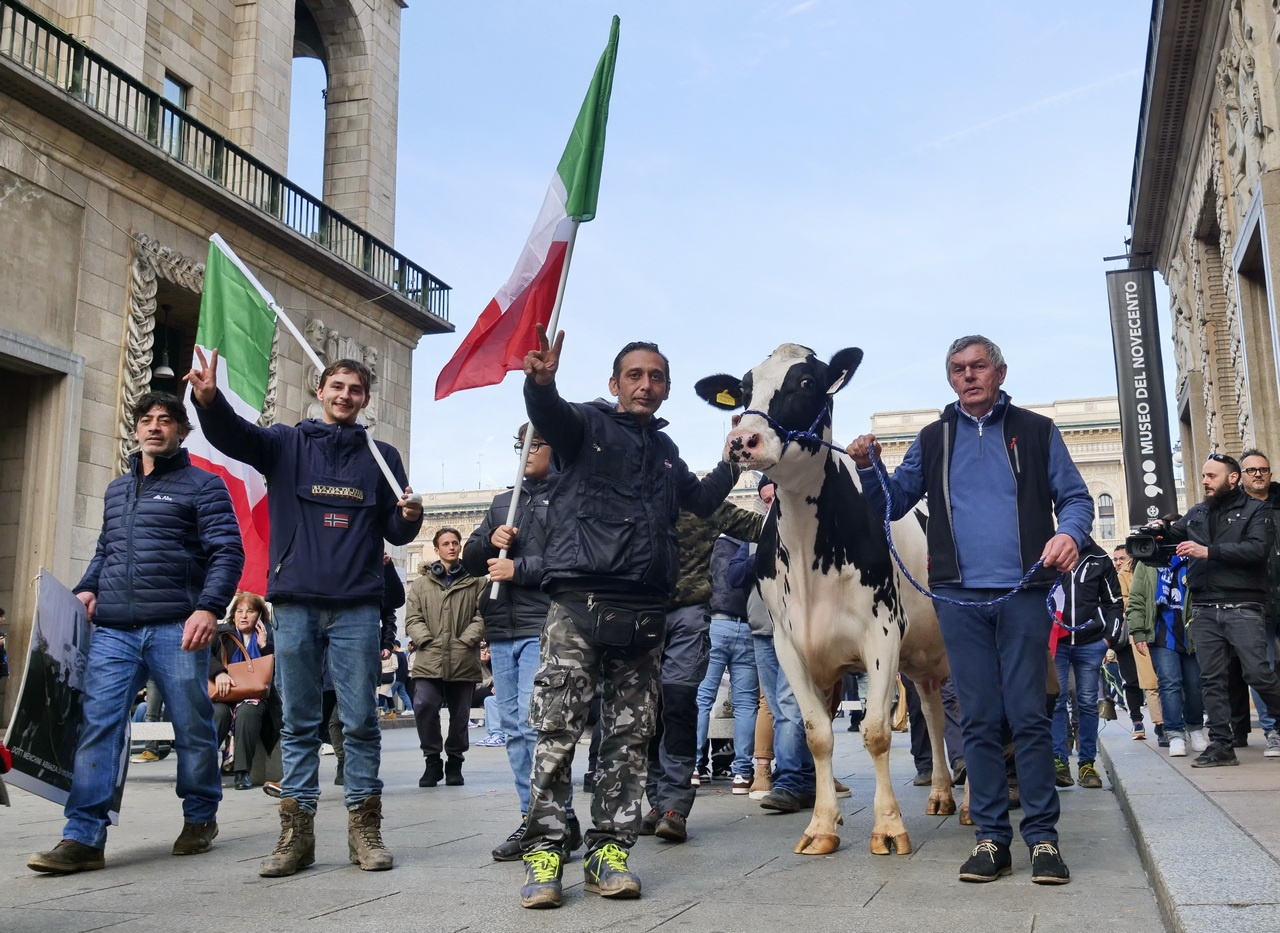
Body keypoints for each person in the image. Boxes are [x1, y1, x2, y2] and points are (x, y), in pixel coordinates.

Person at [847, 334, 1092, 885]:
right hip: (957, 597)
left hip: (1024, 592)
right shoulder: (932, 439)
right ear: (950, 378)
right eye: (958, 369)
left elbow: (1075, 497)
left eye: (979, 366)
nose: (969, 376)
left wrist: (1072, 533)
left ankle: (1044, 840)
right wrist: (869, 468)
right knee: (979, 719)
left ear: (1000, 372)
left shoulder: (1035, 431)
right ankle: (990, 838)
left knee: (1029, 717)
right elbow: (892, 504)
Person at [516, 328, 737, 909]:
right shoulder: (583, 426)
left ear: (665, 389)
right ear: (615, 384)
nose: (646, 384)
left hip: (644, 612)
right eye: (634, 375)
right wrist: (540, 383)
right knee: (557, 731)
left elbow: (700, 500)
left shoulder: (666, 453)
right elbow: (550, 414)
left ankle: (609, 852)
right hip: (578, 605)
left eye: (656, 376)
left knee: (628, 738)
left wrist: (732, 461)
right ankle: (544, 856)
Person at [187, 351, 422, 876]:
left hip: (358, 606)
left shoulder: (381, 456)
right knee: (297, 723)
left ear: (365, 400)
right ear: (321, 391)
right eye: (336, 386)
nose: (345, 396)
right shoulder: (285, 443)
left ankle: (365, 828)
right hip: (293, 603)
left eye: (355, 390)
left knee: (360, 721)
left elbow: (396, 530)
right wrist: (208, 400)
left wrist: (411, 516)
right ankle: (297, 834)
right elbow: (234, 436)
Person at [27, 391, 243, 874]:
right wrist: (86, 589)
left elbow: (227, 552)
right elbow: (107, 550)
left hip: (177, 627)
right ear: (136, 429)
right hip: (114, 631)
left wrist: (208, 608)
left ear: (182, 431)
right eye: (146, 419)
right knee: (98, 725)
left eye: (166, 420)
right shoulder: (116, 490)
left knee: (192, 726)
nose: (155, 427)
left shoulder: (204, 486)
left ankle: (199, 815)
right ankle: (83, 835)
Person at [462, 425, 579, 859]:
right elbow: (471, 557)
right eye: (521, 445)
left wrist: (522, 569)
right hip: (501, 627)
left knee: (541, 727)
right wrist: (489, 543)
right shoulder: (501, 502)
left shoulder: (568, 497)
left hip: (543, 624)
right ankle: (533, 819)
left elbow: (573, 560)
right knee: (512, 730)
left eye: (536, 445)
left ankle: (554, 820)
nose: (527, 452)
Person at [640, 503, 763, 844]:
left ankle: (674, 806)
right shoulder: (636, 498)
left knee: (679, 705)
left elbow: (760, 527)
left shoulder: (701, 501)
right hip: (641, 615)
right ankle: (657, 801)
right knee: (649, 712)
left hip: (688, 615)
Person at [1157, 453, 1280, 768]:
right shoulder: (1197, 513)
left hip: (1244, 606)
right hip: (1204, 607)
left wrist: (1207, 552)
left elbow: (1256, 550)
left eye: (1211, 476)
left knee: (1257, 673)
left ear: (1233, 478)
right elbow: (1169, 541)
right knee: (1211, 679)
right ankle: (1222, 746)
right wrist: (1156, 532)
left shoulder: (1257, 510)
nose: (1205, 482)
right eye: (1203, 476)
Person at [404, 527, 485, 788]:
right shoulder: (420, 585)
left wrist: (465, 640)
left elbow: (483, 616)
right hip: (429, 658)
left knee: (460, 715)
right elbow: (412, 618)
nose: (451, 547)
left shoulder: (476, 581)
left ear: (460, 547)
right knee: (424, 704)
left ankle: (455, 762)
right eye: (445, 543)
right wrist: (426, 639)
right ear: (436, 550)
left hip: (463, 658)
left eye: (455, 543)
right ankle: (432, 760)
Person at [1047, 537, 1121, 790]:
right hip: (1057, 640)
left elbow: (1114, 603)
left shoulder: (1100, 559)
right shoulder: (1051, 551)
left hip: (1090, 642)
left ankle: (1087, 763)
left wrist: (1108, 639)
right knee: (1055, 701)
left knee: (1087, 702)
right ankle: (1059, 760)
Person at [1127, 527, 1203, 758]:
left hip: (1191, 631)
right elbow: (1137, 598)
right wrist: (1138, 632)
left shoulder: (1194, 557)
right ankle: (1175, 733)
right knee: (1169, 683)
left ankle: (1196, 729)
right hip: (1161, 633)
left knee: (1194, 685)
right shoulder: (1147, 562)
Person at [210, 591, 281, 790]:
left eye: (249, 611)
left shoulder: (269, 635)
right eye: (239, 611)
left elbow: (280, 669)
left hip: (256, 697)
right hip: (223, 694)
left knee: (248, 712)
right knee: (219, 714)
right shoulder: (222, 633)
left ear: (259, 615)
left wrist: (265, 646)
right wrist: (219, 673)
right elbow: (203, 657)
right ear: (233, 614)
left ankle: (242, 773)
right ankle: (205, 771)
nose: (243, 616)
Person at [1239, 449, 1280, 756]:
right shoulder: (1234, 510)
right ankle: (1273, 729)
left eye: (1262, 469)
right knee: (1260, 668)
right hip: (1254, 602)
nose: (1258, 474)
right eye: (1251, 470)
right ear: (1241, 476)